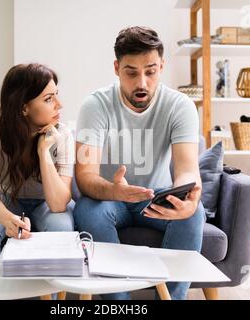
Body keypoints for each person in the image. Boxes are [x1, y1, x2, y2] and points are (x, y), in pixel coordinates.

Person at [74, 26, 205, 300]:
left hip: (155, 197)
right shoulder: (94, 106)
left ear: (162, 66)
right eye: (131, 72)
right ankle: (118, 302)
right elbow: (85, 176)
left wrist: (189, 197)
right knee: (87, 210)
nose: (142, 82)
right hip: (110, 198)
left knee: (194, 213)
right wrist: (114, 190)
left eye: (151, 71)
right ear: (116, 68)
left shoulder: (180, 106)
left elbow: (187, 169)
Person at [0, 63, 75, 261]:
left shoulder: (63, 134)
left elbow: (59, 204)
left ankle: (48, 292)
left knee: (61, 227)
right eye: (49, 99)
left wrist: (43, 151)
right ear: (24, 107)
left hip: (46, 203)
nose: (59, 104)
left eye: (56, 95)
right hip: (7, 200)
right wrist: (9, 219)